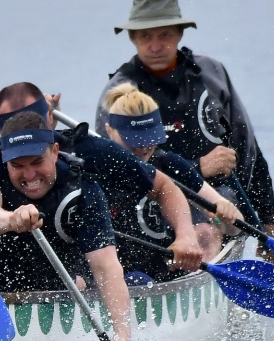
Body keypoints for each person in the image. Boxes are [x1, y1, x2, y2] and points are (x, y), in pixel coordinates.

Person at [94, 0, 274, 243]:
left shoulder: (212, 75)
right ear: (132, 38)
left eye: (164, 35)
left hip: (217, 195)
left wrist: (270, 223)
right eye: (145, 36)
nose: (155, 46)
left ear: (180, 34)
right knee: (199, 232)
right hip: (146, 205)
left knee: (208, 228)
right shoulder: (120, 94)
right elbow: (114, 170)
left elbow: (247, 149)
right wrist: (199, 167)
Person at [0, 81, 203, 275]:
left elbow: (163, 187)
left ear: (49, 117)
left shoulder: (89, 149)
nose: (24, 137)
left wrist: (186, 235)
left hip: (87, 268)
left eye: (36, 160)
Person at [0, 111, 131, 341]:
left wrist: (122, 334)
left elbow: (105, 267)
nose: (29, 175)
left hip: (62, 286)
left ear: (54, 152)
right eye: (17, 166)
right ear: (4, 159)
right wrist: (12, 219)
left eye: (37, 162)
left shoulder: (83, 187)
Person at [102, 83, 244, 263]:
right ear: (109, 130)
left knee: (206, 233)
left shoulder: (170, 165)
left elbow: (234, 227)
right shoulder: (95, 167)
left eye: (149, 138)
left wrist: (225, 218)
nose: (144, 147)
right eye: (135, 140)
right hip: (112, 267)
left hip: (167, 268)